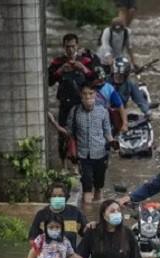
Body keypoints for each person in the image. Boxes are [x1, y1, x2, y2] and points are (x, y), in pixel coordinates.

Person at [28, 183, 88, 258]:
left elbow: (86, 235)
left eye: (60, 195)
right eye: (54, 195)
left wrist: (81, 255)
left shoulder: (75, 213)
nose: (57, 198)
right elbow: (33, 239)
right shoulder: (42, 215)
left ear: (66, 197)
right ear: (49, 197)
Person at [57, 83, 116, 204]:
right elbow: (69, 133)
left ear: (95, 95)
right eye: (85, 94)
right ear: (81, 96)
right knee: (87, 186)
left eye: (90, 94)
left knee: (99, 186)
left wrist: (112, 142)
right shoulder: (75, 112)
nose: (88, 97)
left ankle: (97, 210)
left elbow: (107, 132)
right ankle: (88, 215)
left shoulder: (103, 112)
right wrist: (55, 125)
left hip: (100, 153)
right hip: (83, 156)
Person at [48, 34, 98, 169]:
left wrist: (83, 68)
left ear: (77, 46)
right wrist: (60, 71)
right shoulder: (57, 62)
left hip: (81, 103)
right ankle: (63, 166)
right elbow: (49, 81)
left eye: (73, 46)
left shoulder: (86, 61)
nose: (70, 50)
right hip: (65, 102)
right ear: (63, 47)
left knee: (82, 134)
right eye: (67, 47)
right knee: (63, 133)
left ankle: (78, 165)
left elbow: (96, 80)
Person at [93, 65, 129, 135]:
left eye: (103, 80)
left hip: (105, 118)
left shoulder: (109, 88)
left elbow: (120, 105)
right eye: (99, 80)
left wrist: (125, 123)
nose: (101, 82)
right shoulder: (88, 89)